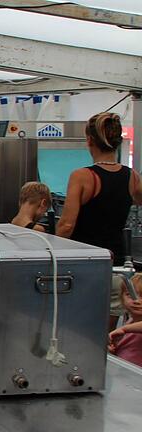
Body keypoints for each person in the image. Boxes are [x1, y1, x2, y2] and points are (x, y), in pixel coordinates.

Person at [56, 112, 142, 332]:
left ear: (89, 141)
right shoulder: (131, 176)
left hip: (83, 264)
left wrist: (51, 252)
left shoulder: (82, 176)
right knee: (107, 335)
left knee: (78, 330)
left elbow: (66, 225)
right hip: (116, 266)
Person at [108, 274, 142, 367]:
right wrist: (114, 351)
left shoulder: (129, 327)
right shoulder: (130, 321)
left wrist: (125, 329)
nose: (136, 301)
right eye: (130, 295)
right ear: (121, 298)